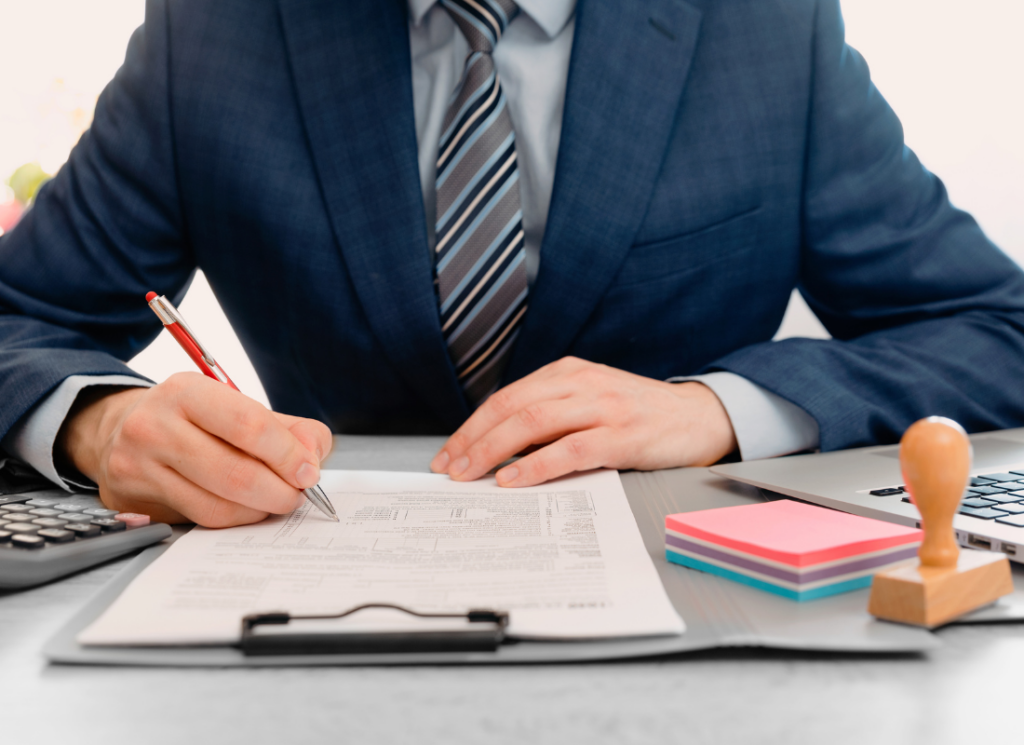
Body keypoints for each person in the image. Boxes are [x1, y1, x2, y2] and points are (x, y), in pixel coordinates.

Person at [2, 0, 1023, 528]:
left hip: (696, 632)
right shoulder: (214, 32)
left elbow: (996, 329)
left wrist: (717, 406)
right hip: (303, 619)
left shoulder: (764, 28)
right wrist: (99, 422)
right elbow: (19, 318)